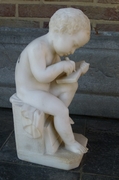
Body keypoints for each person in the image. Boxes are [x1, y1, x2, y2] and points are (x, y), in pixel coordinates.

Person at [15, 8, 90, 154]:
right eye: (74, 44)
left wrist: (76, 72)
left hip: (44, 88)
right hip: (30, 91)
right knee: (61, 110)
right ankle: (69, 142)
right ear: (61, 31)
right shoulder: (37, 48)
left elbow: (54, 77)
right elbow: (42, 76)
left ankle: (59, 118)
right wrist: (61, 66)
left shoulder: (54, 50)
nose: (73, 51)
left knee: (71, 86)